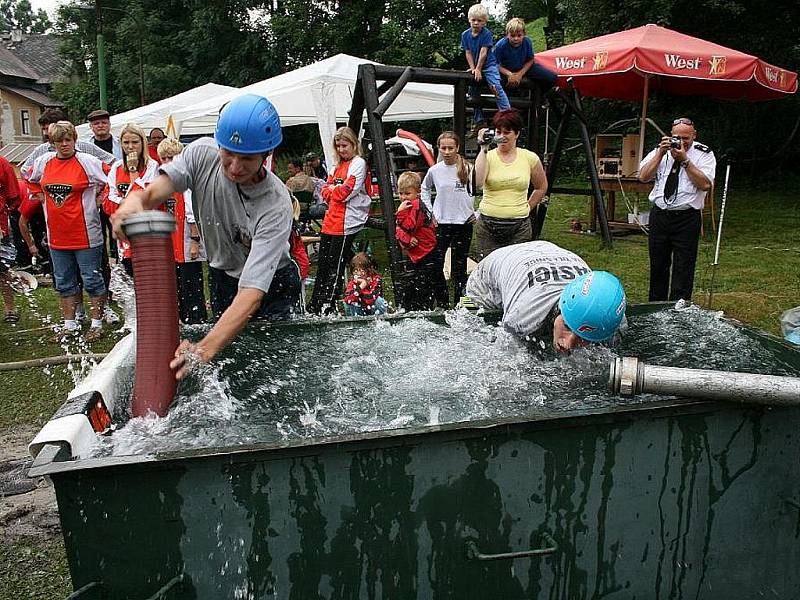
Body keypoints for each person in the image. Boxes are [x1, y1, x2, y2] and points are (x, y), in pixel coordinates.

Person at [111, 93, 301, 379]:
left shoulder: (275, 204)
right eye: (229, 154)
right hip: (223, 275)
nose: (235, 167)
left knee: (275, 370)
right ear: (219, 144)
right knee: (231, 367)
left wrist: (203, 350)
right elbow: (158, 189)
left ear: (266, 154)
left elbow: (251, 295)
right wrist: (136, 203)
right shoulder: (201, 154)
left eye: (247, 158)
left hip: (273, 287)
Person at [27, 121, 110, 343]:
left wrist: (104, 198)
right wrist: (39, 194)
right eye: (59, 141)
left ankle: (96, 324)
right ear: (52, 143)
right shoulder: (44, 161)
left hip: (86, 233)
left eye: (68, 140)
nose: (64, 145)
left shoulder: (88, 161)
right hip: (56, 235)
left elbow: (114, 175)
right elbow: (28, 177)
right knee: (64, 281)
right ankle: (70, 325)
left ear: (74, 140)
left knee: (92, 279)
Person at [464, 241, 626, 352]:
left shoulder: (612, 319)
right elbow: (505, 359)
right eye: (568, 327)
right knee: (473, 327)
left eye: (583, 338)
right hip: (490, 275)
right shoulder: (524, 316)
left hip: (549, 254)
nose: (567, 344)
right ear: (561, 308)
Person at [639, 117, 716, 302]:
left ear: (694, 135)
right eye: (676, 137)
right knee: (658, 265)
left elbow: (705, 184)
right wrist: (659, 154)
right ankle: (655, 306)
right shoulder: (661, 151)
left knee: (683, 267)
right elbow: (643, 176)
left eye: (685, 138)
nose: (680, 142)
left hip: (686, 218)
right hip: (660, 216)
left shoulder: (703, 153)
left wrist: (685, 161)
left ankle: (679, 310)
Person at [308, 127, 371, 315]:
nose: (341, 149)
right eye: (338, 146)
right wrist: (335, 191)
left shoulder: (358, 163)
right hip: (331, 220)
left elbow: (346, 192)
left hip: (348, 222)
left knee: (336, 265)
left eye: (345, 145)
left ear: (353, 145)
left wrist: (335, 190)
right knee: (324, 265)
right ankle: (316, 303)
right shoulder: (335, 166)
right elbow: (325, 192)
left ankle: (329, 304)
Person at [474, 108, 547, 260]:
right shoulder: (487, 156)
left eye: (507, 132)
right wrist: (483, 148)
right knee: (488, 268)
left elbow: (541, 187)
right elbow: (478, 183)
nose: (502, 137)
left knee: (516, 268)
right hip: (488, 223)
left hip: (519, 225)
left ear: (517, 134)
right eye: (498, 132)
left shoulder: (529, 157)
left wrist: (527, 207)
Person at [421, 131, 476, 306]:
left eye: (450, 148)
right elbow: (424, 189)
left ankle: (461, 302)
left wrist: (477, 213)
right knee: (436, 264)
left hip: (463, 223)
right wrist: (430, 213)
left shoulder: (468, 168)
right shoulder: (435, 170)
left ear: (457, 148)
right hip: (441, 222)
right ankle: (443, 302)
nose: (446, 151)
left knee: (460, 266)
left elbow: (483, 190)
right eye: (443, 148)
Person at [157, 137, 208, 325]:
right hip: (172, 239)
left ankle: (196, 318)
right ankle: (182, 318)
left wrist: (195, 240)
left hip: (186, 238)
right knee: (177, 282)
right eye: (164, 159)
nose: (168, 162)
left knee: (191, 282)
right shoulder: (164, 180)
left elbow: (191, 211)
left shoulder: (185, 182)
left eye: (172, 158)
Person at [103, 122, 162, 275]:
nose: (130, 147)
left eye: (135, 142)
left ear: (143, 142)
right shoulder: (116, 168)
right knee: (129, 277)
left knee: (148, 278)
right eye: (126, 142)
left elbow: (144, 201)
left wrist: (133, 170)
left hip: (148, 232)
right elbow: (108, 203)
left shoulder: (153, 167)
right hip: (124, 233)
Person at [394, 171, 447, 310]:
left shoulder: (416, 206)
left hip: (427, 252)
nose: (403, 197)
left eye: (407, 193)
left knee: (426, 283)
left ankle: (432, 308)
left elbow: (407, 227)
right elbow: (401, 231)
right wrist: (403, 237)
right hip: (419, 253)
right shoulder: (411, 206)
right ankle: (418, 307)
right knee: (416, 283)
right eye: (401, 193)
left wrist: (399, 214)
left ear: (417, 192)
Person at [461, 3, 510, 134]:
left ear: (485, 22)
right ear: (469, 20)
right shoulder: (465, 35)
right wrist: (472, 68)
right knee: (472, 90)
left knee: (495, 85)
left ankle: (506, 112)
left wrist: (478, 68)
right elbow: (468, 52)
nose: (476, 23)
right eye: (473, 20)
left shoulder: (486, 34)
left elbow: (483, 53)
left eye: (479, 21)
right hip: (475, 65)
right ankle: (478, 119)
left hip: (488, 65)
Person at [494, 17, 557, 94]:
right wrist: (509, 74)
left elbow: (530, 59)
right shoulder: (500, 45)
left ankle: (541, 97)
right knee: (499, 82)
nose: (516, 38)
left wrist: (520, 74)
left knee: (551, 78)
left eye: (519, 35)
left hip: (525, 67)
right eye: (512, 36)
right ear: (507, 35)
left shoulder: (527, 42)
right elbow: (494, 64)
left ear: (524, 34)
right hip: (507, 69)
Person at [342, 252, 388, 316]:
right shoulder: (353, 282)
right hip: (359, 311)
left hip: (374, 310)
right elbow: (347, 299)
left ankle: (381, 318)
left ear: (368, 270)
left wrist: (362, 290)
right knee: (348, 302)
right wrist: (361, 286)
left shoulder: (376, 279)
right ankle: (355, 321)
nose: (359, 274)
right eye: (356, 271)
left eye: (362, 270)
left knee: (379, 301)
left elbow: (370, 299)